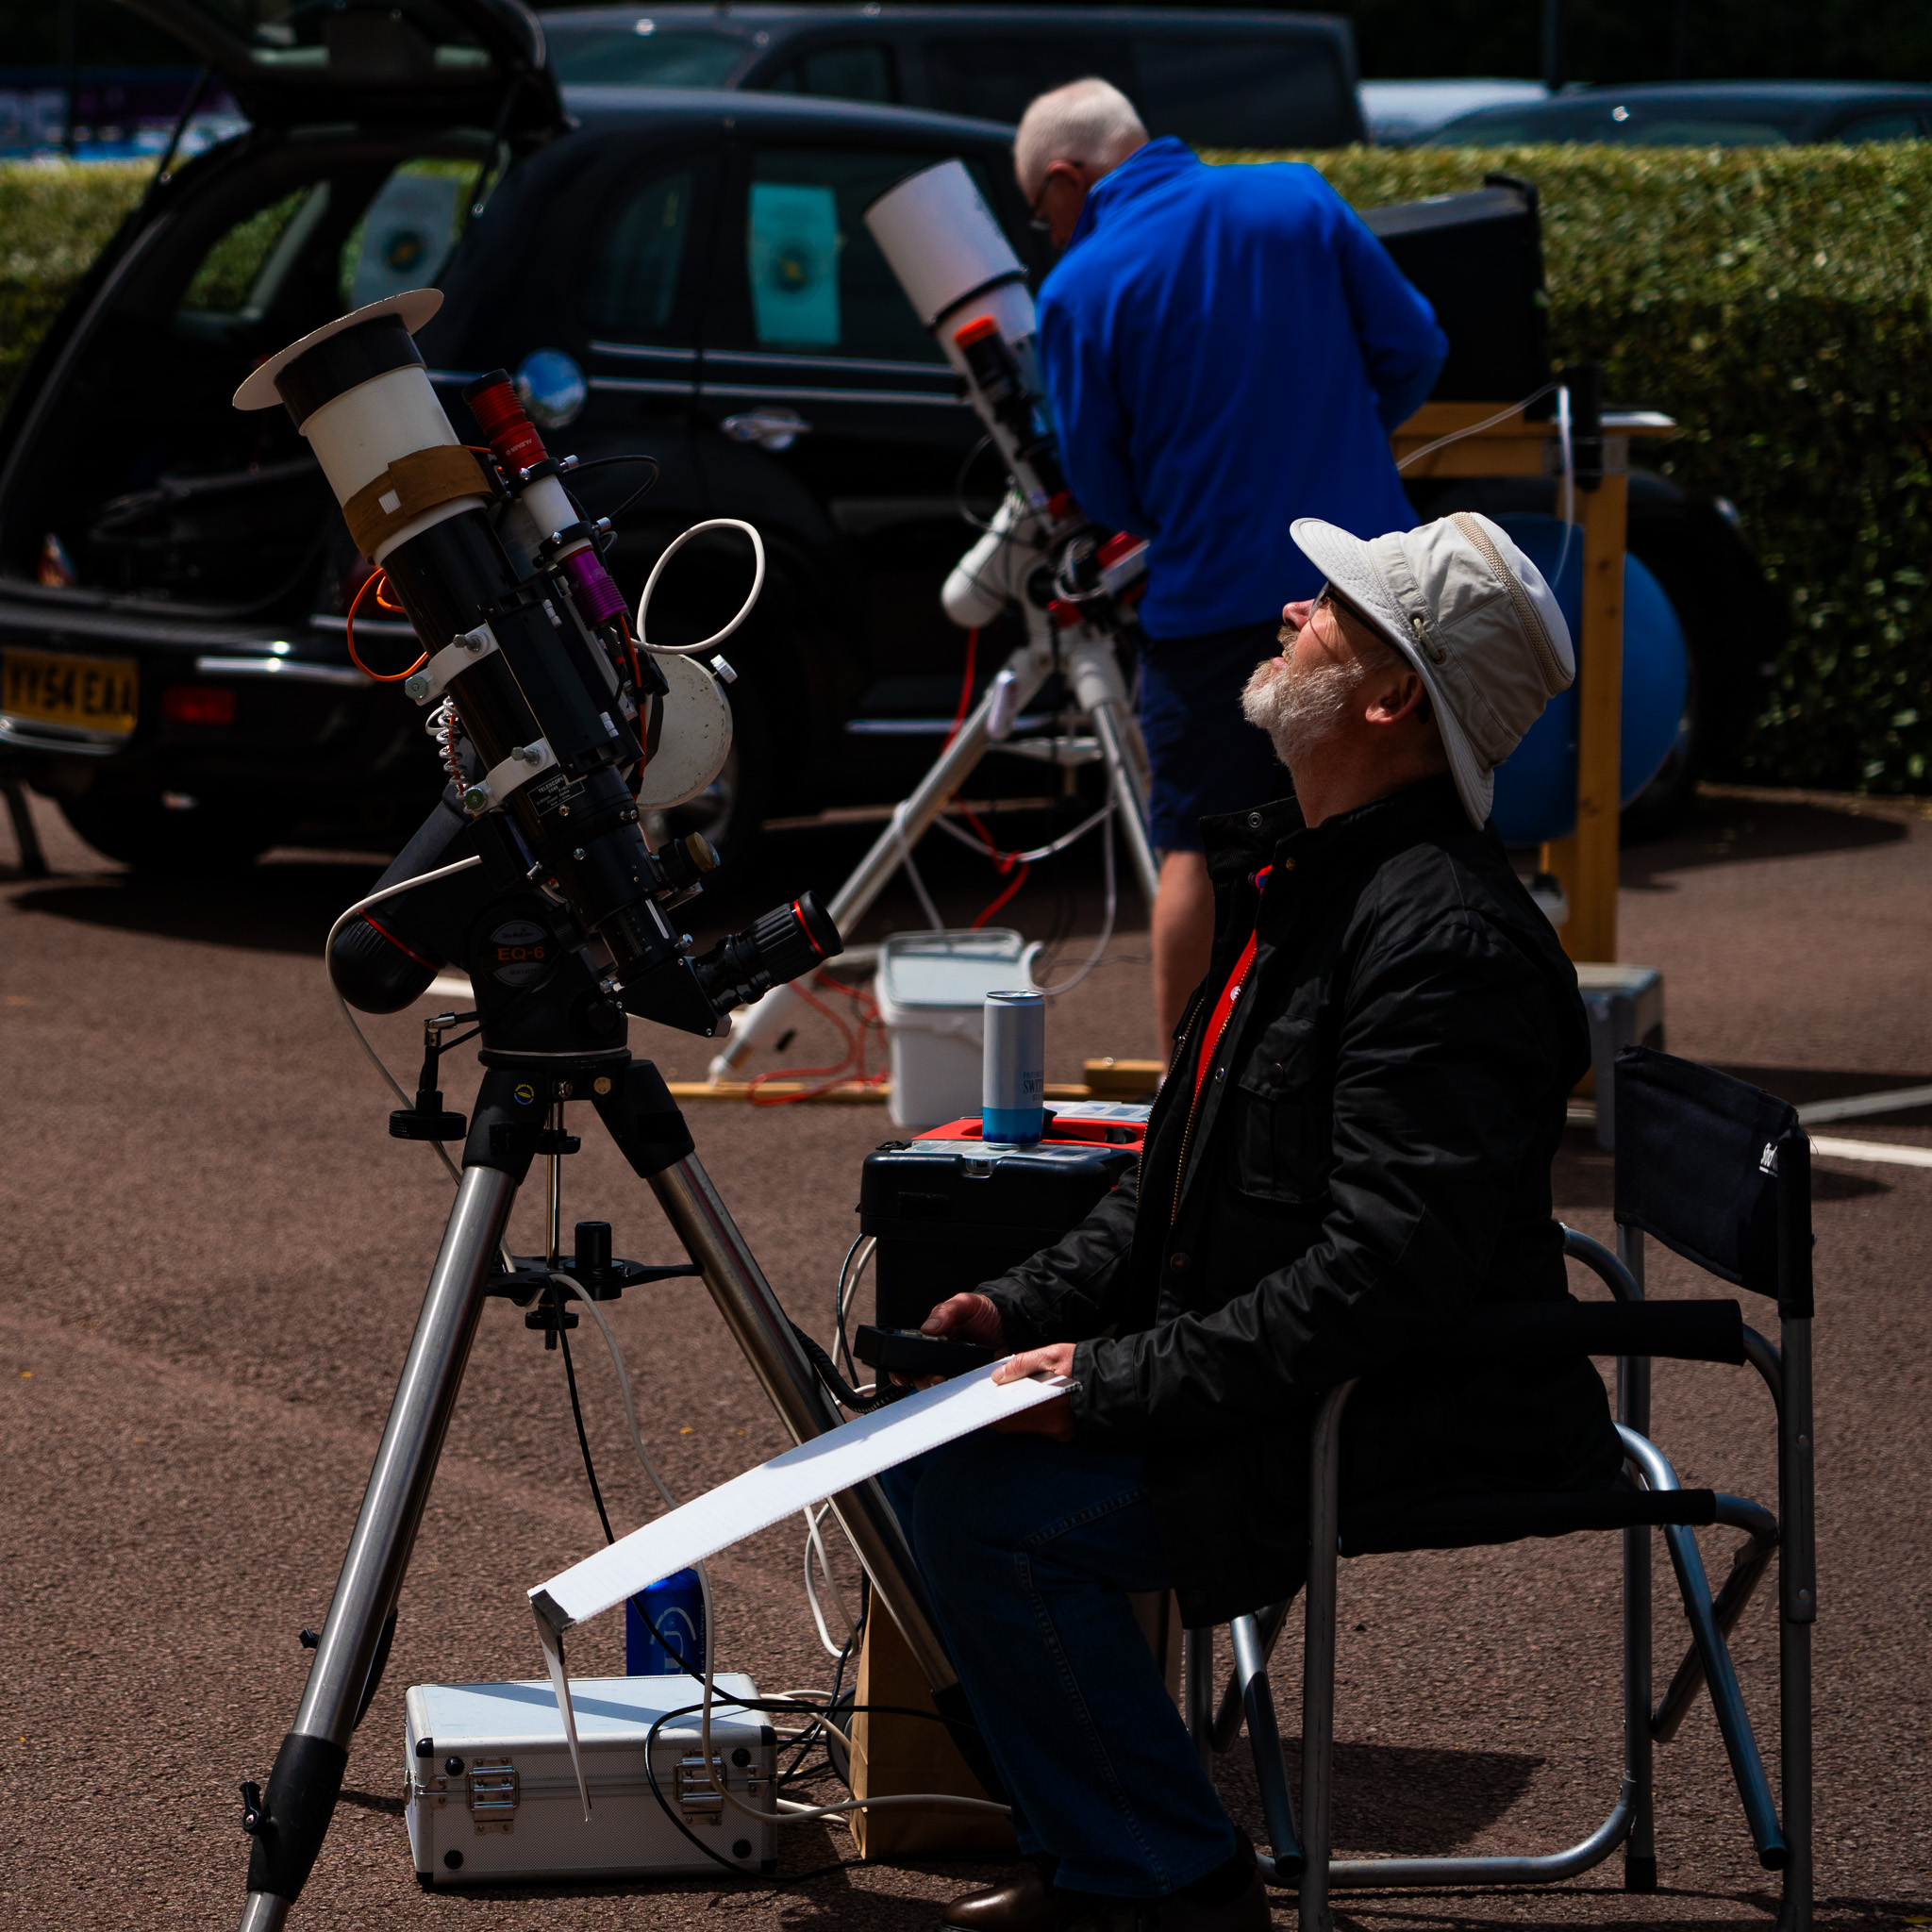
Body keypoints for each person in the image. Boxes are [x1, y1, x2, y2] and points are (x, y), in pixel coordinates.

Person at [887, 511, 1619, 1931]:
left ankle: (1166, 1882)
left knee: (996, 1510)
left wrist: (1106, 1386)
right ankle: (1103, 1847)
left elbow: (1381, 1280)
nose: (1293, 608)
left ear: (1394, 695)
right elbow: (1173, 1190)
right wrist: (1023, 1312)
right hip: (1302, 1382)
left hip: (1394, 1411)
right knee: (921, 1452)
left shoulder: (1439, 940)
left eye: (1336, 604)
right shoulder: (1314, 885)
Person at [1014, 78, 1449, 1041]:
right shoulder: (1295, 196)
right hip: (1369, 596)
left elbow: (1101, 490)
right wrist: (1338, 439)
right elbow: (1415, 346)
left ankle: (1186, 1120)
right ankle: (1405, 1067)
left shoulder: (1077, 286)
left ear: (1063, 177)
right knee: (1400, 836)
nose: (1044, 232)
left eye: (1037, 212)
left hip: (1209, 611)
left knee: (1197, 854)